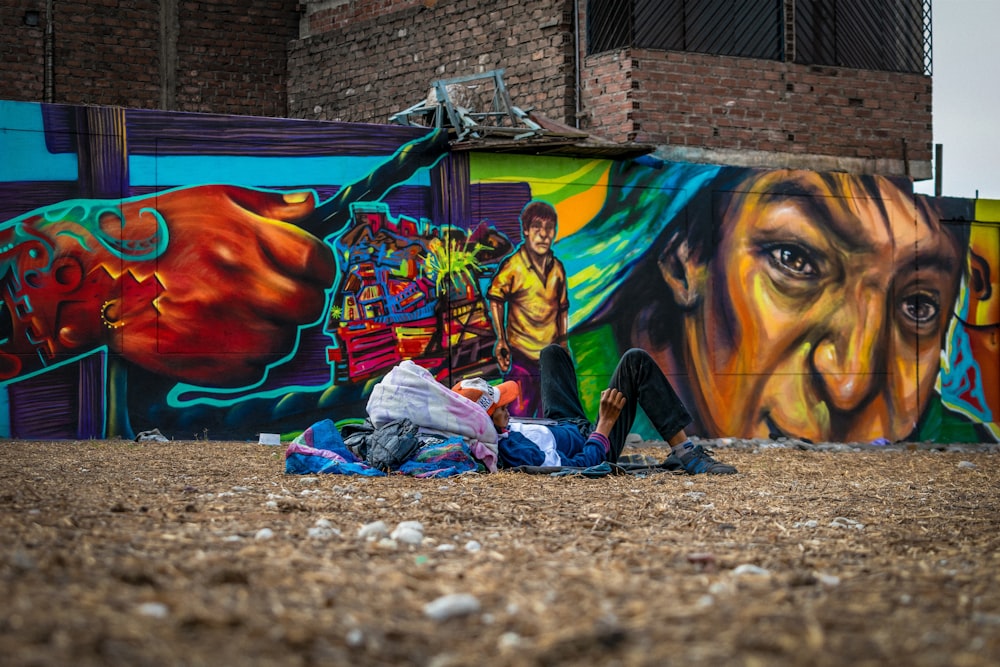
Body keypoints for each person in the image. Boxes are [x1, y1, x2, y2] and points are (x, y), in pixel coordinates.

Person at [560, 165, 973, 443]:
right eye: (794, 260)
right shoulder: (566, 389)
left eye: (918, 305)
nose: (850, 385)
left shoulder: (952, 433)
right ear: (684, 260)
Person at [453, 344, 737, 474]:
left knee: (552, 353)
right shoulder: (517, 452)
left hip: (564, 424)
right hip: (595, 441)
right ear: (489, 419)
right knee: (634, 361)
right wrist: (605, 425)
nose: (508, 406)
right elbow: (579, 465)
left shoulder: (498, 429)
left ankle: (684, 452)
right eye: (502, 406)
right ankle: (686, 452)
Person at [487, 200, 569, 417]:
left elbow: (562, 308)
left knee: (550, 418)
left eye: (549, 229)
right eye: (537, 228)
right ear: (525, 231)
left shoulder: (557, 269)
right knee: (516, 418)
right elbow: (496, 298)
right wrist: (501, 339)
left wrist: (563, 343)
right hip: (521, 357)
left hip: (549, 362)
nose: (543, 235)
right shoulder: (514, 266)